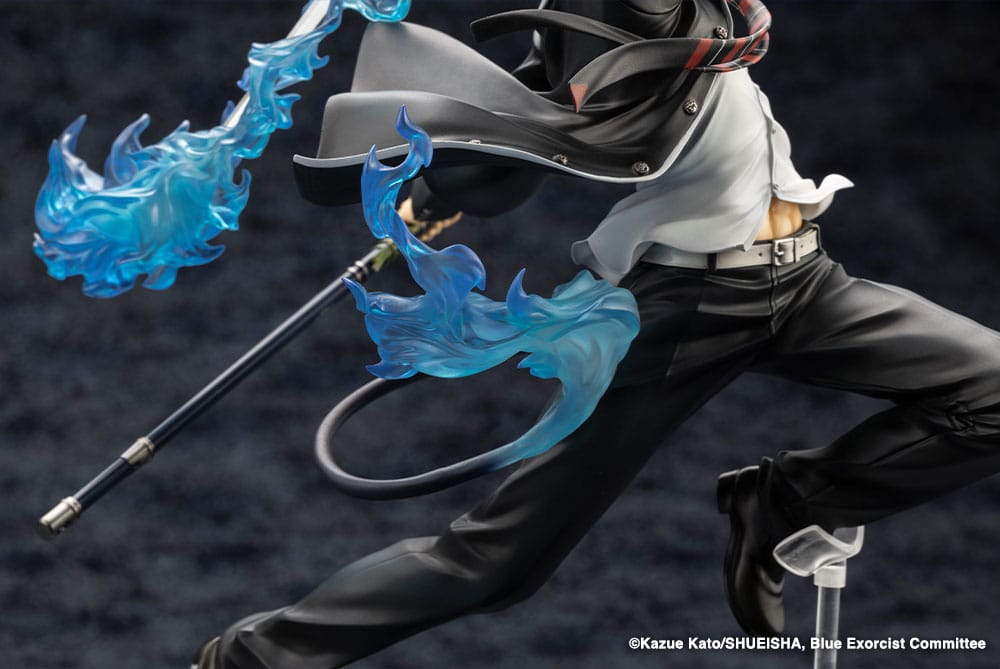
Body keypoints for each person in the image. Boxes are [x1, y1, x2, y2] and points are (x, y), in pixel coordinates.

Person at [194, 1, 1000, 666]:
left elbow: (533, 101)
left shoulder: (691, 15)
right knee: (498, 559)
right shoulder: (635, 11)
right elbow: (549, 110)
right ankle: (254, 657)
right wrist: (441, 182)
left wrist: (448, 188)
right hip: (689, 305)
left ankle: (784, 499)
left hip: (805, 277)